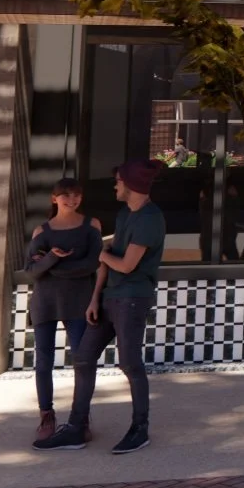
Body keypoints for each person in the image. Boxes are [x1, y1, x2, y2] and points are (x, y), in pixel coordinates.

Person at [37, 157, 165, 454]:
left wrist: (101, 253)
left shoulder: (150, 218)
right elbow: (109, 260)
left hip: (133, 297)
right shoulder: (124, 215)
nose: (115, 185)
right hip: (110, 297)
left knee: (130, 363)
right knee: (83, 358)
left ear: (132, 184)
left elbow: (127, 264)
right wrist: (95, 297)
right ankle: (77, 428)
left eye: (119, 181)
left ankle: (139, 428)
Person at [21, 179, 104, 441]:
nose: (72, 199)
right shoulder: (41, 231)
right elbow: (32, 271)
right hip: (45, 302)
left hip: (79, 302)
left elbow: (91, 264)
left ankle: (80, 418)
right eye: (65, 195)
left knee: (83, 361)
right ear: (54, 198)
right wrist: (53, 257)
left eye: (77, 195)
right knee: (43, 362)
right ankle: (46, 415)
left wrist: (51, 265)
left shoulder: (91, 225)